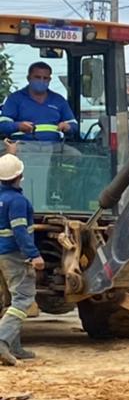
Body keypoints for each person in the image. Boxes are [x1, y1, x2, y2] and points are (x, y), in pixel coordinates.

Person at [0, 154, 41, 365]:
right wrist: (34, 255)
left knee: (9, 300)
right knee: (23, 297)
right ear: (20, 175)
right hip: (13, 255)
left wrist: (11, 150)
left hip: (1, 255)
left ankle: (14, 348)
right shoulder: (17, 201)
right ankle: (2, 340)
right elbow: (20, 231)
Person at [0, 62, 78, 143]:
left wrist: (68, 127)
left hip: (55, 146)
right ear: (28, 78)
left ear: (49, 79)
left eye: (45, 78)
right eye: (37, 77)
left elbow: (74, 125)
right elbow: (2, 125)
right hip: (23, 146)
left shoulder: (58, 100)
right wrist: (18, 126)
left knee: (75, 155)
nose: (41, 81)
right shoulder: (15, 99)